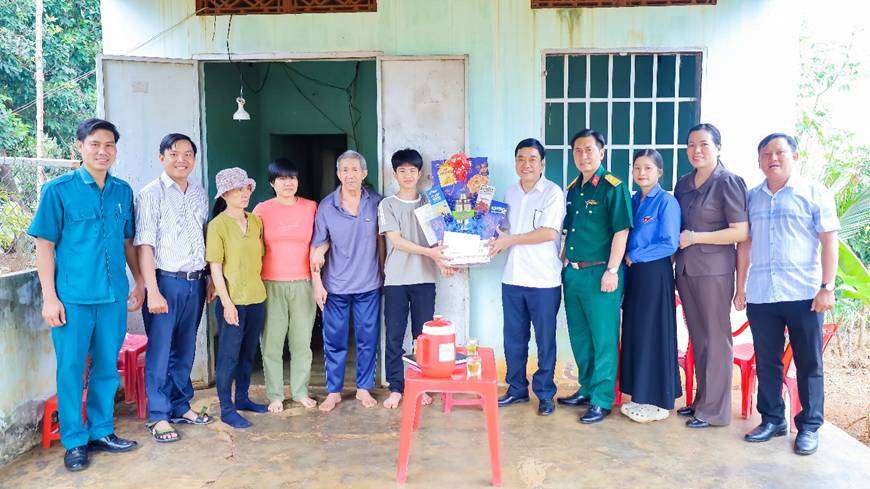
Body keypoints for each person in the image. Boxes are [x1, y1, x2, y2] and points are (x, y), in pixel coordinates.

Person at [28, 118, 144, 471]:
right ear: (79, 147)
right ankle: (75, 441)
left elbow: (128, 242)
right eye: (94, 144)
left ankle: (101, 431)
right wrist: (50, 297)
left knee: (107, 368)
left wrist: (140, 281)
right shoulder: (58, 190)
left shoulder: (122, 191)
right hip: (73, 299)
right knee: (71, 369)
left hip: (113, 297)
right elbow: (45, 246)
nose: (102, 151)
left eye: (109, 145)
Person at [735, 133, 839, 455]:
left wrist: (827, 287)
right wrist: (740, 288)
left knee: (808, 363)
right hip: (762, 295)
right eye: (766, 154)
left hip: (803, 294)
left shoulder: (814, 192)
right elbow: (745, 245)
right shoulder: (752, 197)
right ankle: (772, 419)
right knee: (767, 361)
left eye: (779, 152)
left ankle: (809, 426)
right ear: (759, 161)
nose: (773, 159)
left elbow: (829, 240)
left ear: (794, 156)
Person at [135, 133, 214, 443]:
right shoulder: (150, 194)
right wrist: (152, 290)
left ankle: (181, 405)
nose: (181, 159)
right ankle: (158, 415)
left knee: (185, 348)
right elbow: (145, 245)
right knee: (160, 351)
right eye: (173, 153)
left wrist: (209, 278)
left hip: (195, 282)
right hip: (165, 282)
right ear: (162, 158)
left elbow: (203, 237)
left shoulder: (199, 194)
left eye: (188, 154)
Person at [673, 123, 748, 429]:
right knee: (699, 338)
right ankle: (702, 401)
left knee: (716, 338)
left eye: (704, 144)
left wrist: (696, 237)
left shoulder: (728, 181)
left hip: (715, 271)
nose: (697, 150)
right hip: (686, 270)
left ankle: (714, 411)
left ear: (718, 147)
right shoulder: (683, 184)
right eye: (691, 145)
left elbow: (740, 231)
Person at [557, 129, 632, 424]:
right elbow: (570, 231)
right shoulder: (574, 188)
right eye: (578, 150)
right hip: (574, 274)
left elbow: (621, 231)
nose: (583, 156)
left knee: (603, 338)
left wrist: (612, 270)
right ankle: (586, 388)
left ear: (601, 152)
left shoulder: (613, 187)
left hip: (601, 273)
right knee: (580, 336)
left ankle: (602, 399)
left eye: (589, 150)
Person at [489, 138, 566, 417]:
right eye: (521, 159)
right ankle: (517, 388)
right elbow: (500, 231)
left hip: (544, 280)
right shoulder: (509, 193)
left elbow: (548, 233)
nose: (526, 164)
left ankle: (545, 394)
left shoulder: (553, 193)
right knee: (513, 339)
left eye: (532, 159)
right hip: (513, 277)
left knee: (545, 341)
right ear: (515, 163)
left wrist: (508, 240)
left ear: (542, 163)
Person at [310, 150, 384, 412]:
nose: (350, 175)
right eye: (345, 170)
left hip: (369, 284)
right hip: (335, 286)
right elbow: (318, 246)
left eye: (355, 170)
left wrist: (385, 274)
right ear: (338, 174)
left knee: (367, 339)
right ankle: (334, 392)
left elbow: (384, 239)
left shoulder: (377, 203)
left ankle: (363, 388)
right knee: (334, 340)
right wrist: (317, 284)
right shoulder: (326, 206)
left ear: (364, 173)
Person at [379, 148, 451, 409]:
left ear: (420, 174)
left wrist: (444, 261)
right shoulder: (387, 204)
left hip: (425, 279)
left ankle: (421, 385)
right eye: (402, 171)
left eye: (412, 170)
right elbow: (396, 242)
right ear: (395, 174)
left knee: (422, 338)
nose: (408, 175)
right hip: (396, 280)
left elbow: (439, 240)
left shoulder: (431, 204)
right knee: (394, 336)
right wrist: (431, 254)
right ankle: (396, 388)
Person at [618, 149, 682, 423]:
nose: (641, 173)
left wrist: (635, 255)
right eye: (637, 168)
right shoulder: (633, 200)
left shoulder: (666, 202)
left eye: (648, 168)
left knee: (653, 333)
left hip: (654, 273)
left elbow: (670, 244)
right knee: (636, 332)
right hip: (634, 275)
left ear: (659, 172)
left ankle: (659, 401)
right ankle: (640, 395)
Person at [252, 158, 319, 412]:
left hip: (303, 283)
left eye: (292, 177)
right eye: (281, 178)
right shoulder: (262, 210)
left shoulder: (311, 207)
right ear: (272, 183)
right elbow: (251, 245)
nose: (288, 183)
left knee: (302, 342)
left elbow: (320, 241)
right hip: (270, 284)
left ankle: (300, 391)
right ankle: (275, 395)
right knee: (272, 343)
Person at [206, 167, 268, 429]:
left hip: (256, 297)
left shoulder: (255, 221)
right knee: (228, 356)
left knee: (248, 354)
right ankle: (226, 408)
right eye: (238, 190)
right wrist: (227, 303)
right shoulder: (217, 225)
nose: (244, 194)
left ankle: (242, 398)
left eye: (246, 189)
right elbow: (215, 267)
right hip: (232, 301)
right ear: (224, 194)